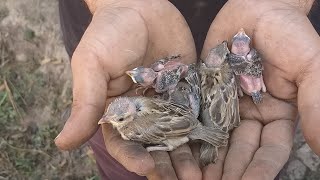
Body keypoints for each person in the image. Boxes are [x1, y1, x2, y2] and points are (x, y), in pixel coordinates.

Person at [55, 0, 320, 179]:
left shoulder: (137, 121)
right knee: (129, 163)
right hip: (132, 42)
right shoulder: (133, 103)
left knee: (258, 153)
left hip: (265, 53)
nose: (116, 121)